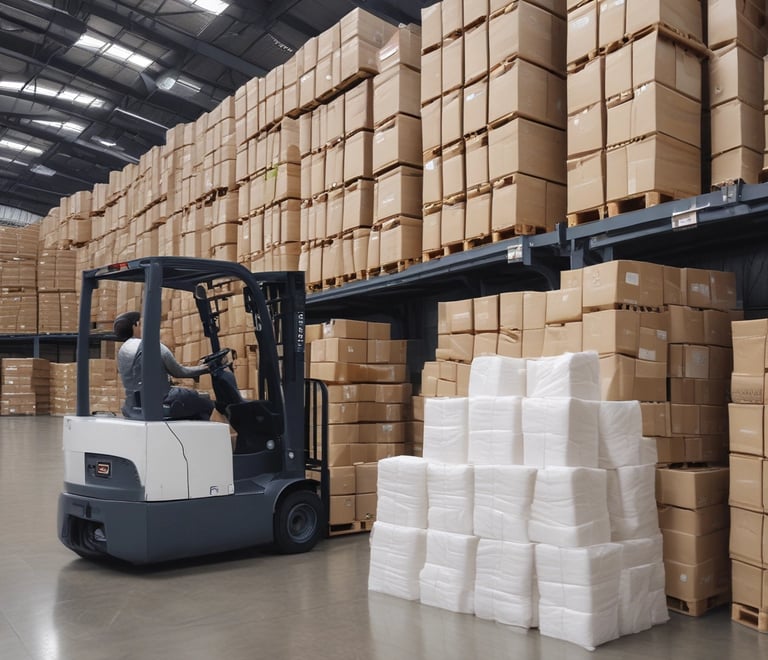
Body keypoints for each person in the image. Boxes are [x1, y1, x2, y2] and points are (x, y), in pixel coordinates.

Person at [114, 311, 214, 421]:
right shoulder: (151, 345)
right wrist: (204, 369)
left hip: (134, 403)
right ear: (136, 325)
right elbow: (179, 372)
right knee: (205, 402)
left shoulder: (122, 352)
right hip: (162, 399)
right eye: (140, 324)